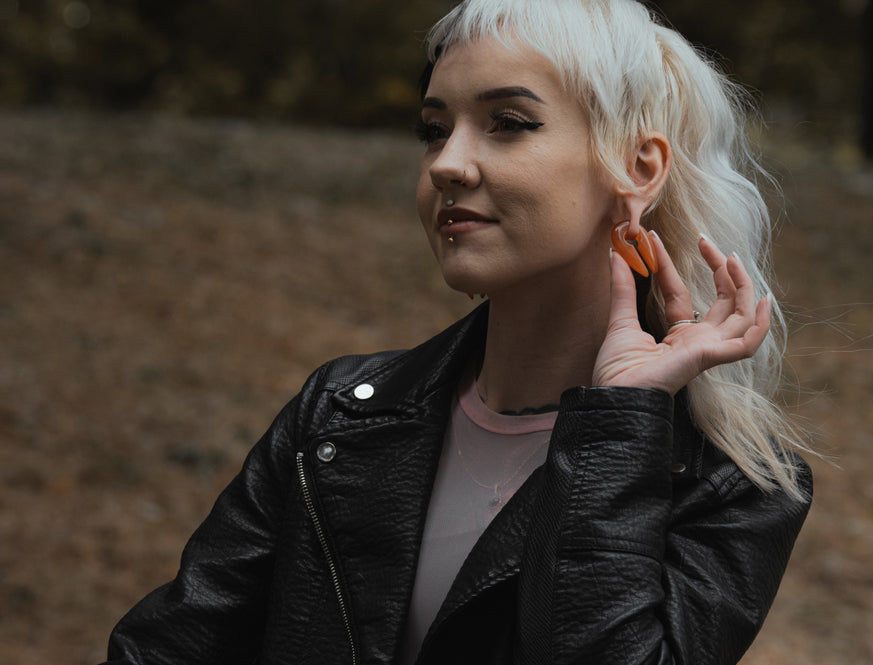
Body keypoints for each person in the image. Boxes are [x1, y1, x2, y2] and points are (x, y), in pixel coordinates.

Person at [102, 1, 812, 663]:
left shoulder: (733, 481)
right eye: (434, 129)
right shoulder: (339, 416)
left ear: (637, 166)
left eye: (507, 121)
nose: (445, 163)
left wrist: (619, 421)